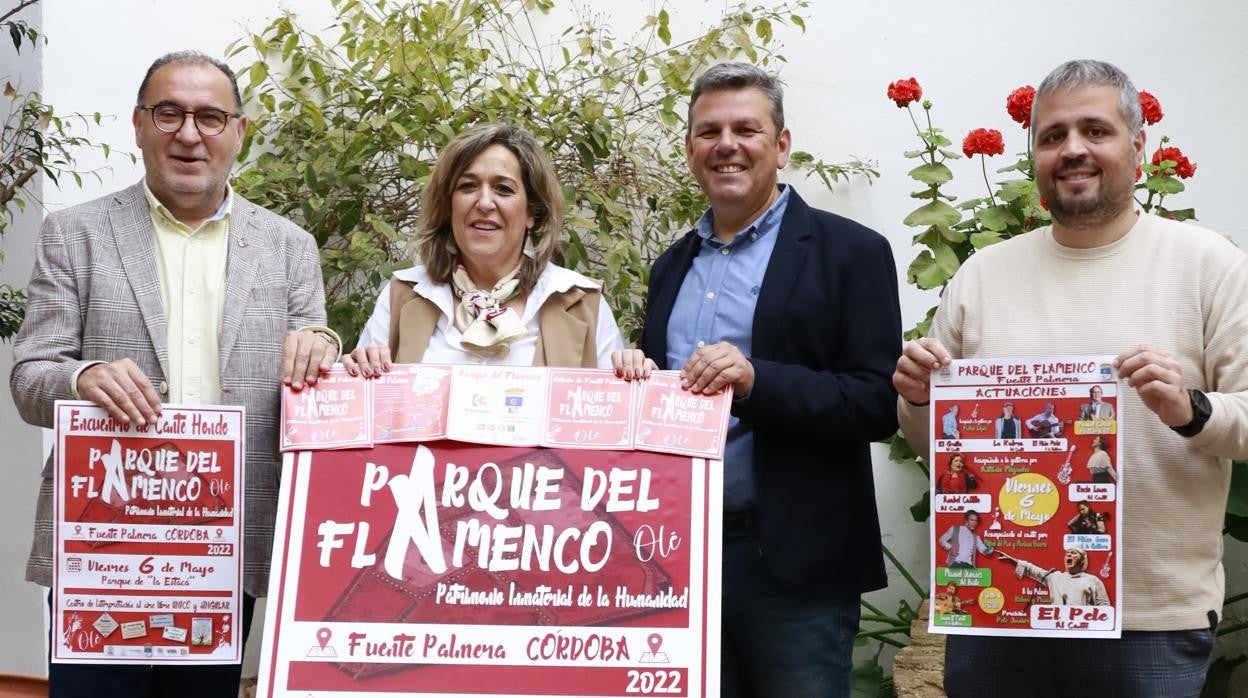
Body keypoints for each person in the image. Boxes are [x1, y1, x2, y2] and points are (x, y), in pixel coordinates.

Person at [892, 59, 1248, 696]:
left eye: (1095, 130)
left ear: (1137, 147)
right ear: (1035, 155)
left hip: (1150, 622)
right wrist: (920, 399)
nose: (1073, 150)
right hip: (1002, 614)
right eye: (1053, 136)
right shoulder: (981, 274)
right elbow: (935, 445)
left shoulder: (1209, 266)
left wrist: (1191, 410)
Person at [9, 51, 336, 697]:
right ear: (138, 124)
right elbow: (29, 377)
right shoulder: (75, 234)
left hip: (225, 551)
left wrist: (324, 346)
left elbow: (314, 356)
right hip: (101, 548)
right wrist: (81, 378)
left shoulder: (288, 246)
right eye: (170, 113)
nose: (190, 133)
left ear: (240, 131)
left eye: (211, 117)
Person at [641, 62, 901, 697]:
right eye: (709, 132)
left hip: (795, 564)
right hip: (680, 558)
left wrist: (758, 381)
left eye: (746, 128)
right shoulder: (669, 269)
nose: (726, 144)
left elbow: (876, 403)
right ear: (690, 150)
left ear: (781, 145)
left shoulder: (851, 252)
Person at [336, 122, 649, 375]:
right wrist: (357, 374)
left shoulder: (582, 304)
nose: (484, 203)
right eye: (468, 186)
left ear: (532, 213)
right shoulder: (402, 296)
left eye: (503, 189)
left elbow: (608, 431)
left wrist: (633, 380)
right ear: (448, 206)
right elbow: (365, 416)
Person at [996, 547, 1109, 606]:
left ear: (1082, 560)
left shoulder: (1093, 580)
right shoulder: (1054, 577)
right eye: (1067, 553)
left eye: (1074, 553)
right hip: (1057, 627)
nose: (1069, 554)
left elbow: (1104, 607)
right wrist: (1012, 561)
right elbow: (1032, 569)